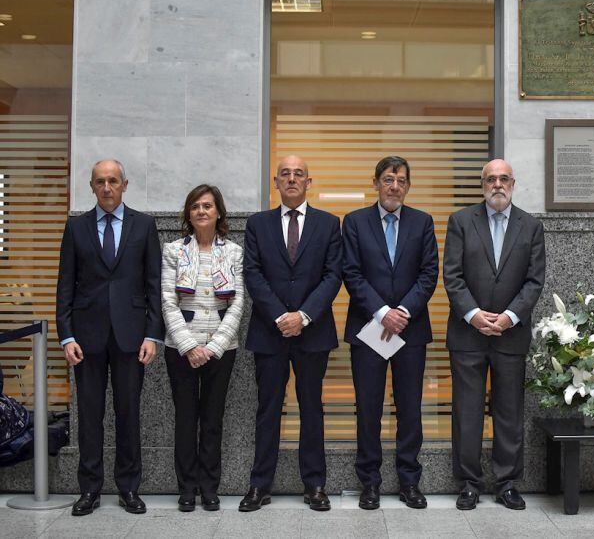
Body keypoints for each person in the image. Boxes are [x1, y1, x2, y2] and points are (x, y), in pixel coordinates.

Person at [56, 159, 164, 516]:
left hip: (131, 338)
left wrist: (153, 334)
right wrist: (66, 335)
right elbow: (64, 287)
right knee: (89, 416)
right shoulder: (76, 228)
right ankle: (89, 490)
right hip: (85, 340)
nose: (107, 187)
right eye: (100, 181)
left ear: (124, 184)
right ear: (91, 186)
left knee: (128, 414)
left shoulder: (144, 226)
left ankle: (129, 488)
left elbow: (153, 286)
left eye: (113, 181)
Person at [239, 155, 342, 512]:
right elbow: (252, 273)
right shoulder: (258, 224)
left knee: (312, 408)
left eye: (299, 174)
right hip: (270, 332)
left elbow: (333, 276)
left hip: (313, 333)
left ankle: (314, 485)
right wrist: (281, 316)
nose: (293, 179)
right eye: (286, 174)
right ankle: (259, 485)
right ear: (276, 181)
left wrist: (304, 316)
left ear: (309, 182)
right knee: (268, 409)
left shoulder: (329, 224)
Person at [443, 158, 545, 511]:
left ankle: (507, 484)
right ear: (482, 184)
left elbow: (534, 281)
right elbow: (452, 276)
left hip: (510, 335)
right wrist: (473, 315)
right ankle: (469, 483)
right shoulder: (460, 222)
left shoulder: (531, 227)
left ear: (513, 184)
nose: (497, 185)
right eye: (490, 179)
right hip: (467, 334)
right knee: (467, 411)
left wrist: (509, 317)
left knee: (508, 411)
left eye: (504, 179)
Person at [342, 156, 438, 510]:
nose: (394, 186)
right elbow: (351, 273)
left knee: (410, 408)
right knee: (369, 408)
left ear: (408, 186)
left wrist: (403, 313)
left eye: (400, 180)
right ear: (376, 183)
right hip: (368, 328)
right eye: (387, 179)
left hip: (411, 331)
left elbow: (429, 274)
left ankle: (409, 482)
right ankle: (369, 482)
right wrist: (383, 313)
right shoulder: (354, 222)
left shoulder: (422, 222)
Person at [160, 184, 246, 512]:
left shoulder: (234, 252)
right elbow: (168, 302)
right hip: (180, 348)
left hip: (222, 349)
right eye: (195, 206)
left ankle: (210, 487)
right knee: (185, 418)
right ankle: (186, 489)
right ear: (188, 213)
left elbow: (238, 304)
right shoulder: (173, 251)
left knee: (212, 419)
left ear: (219, 212)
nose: (201, 211)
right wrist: (189, 346)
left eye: (207, 206)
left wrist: (215, 346)